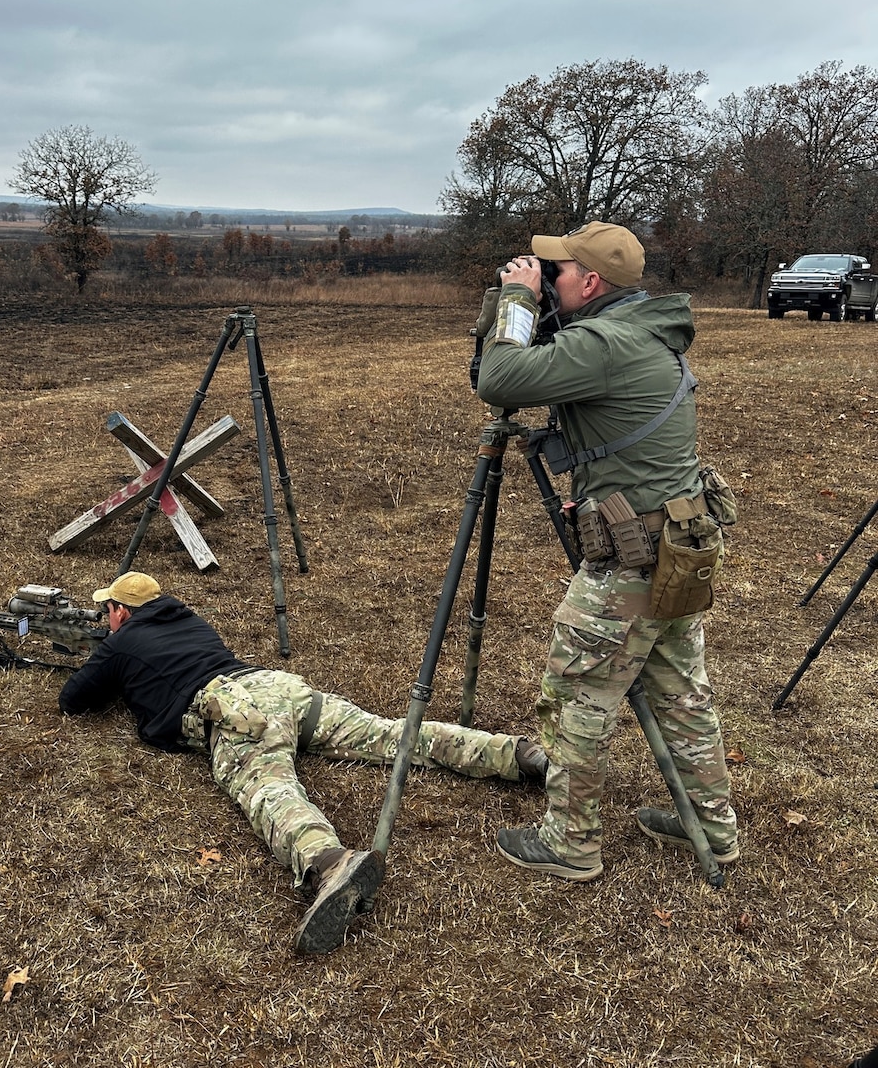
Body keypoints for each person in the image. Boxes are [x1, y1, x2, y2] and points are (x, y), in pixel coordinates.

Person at [59, 571, 548, 953]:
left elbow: (73, 700)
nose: (105, 620)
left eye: (108, 612)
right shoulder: (189, 620)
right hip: (280, 688)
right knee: (391, 734)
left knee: (269, 789)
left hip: (236, 713)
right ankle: (514, 753)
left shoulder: (119, 641)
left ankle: (329, 864)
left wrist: (104, 660)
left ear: (121, 612)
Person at [474, 220, 738, 883]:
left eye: (555, 273)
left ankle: (569, 842)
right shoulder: (645, 331)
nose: (547, 279)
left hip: (631, 559)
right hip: (679, 541)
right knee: (682, 693)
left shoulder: (602, 342)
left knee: (576, 697)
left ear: (590, 283)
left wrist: (514, 300)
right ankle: (710, 826)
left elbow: (499, 377)